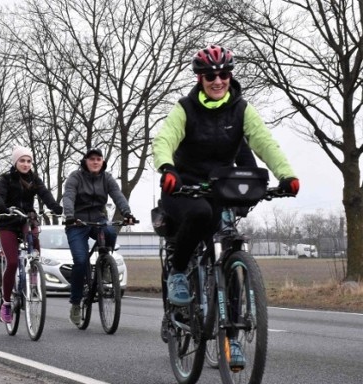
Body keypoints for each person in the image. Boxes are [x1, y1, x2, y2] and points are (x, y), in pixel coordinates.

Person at [152, 44, 300, 367]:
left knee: (228, 245)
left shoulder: (242, 109)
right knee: (201, 214)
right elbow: (164, 139)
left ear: (230, 76)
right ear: (200, 78)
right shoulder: (185, 108)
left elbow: (264, 142)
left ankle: (232, 341)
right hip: (183, 187)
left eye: (223, 74)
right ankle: (178, 273)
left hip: (219, 186)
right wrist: (167, 168)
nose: (217, 81)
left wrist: (285, 174)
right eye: (210, 76)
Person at [62, 148, 137, 325]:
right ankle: (75, 303)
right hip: (77, 223)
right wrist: (69, 216)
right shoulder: (76, 177)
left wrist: (127, 213)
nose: (95, 162)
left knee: (110, 231)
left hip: (98, 219)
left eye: (98, 159)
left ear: (102, 161)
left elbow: (118, 195)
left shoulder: (107, 178)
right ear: (85, 161)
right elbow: (69, 196)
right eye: (92, 159)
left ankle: (104, 263)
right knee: (80, 261)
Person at [0, 146, 63, 324]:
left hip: (26, 220)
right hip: (8, 222)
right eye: (22, 160)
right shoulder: (6, 179)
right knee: (13, 262)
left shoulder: (34, 179)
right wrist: (2, 207)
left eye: (29, 161)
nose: (26, 164)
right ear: (15, 162)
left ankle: (33, 280)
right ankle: (6, 303)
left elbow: (45, 194)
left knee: (35, 251)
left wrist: (56, 207)